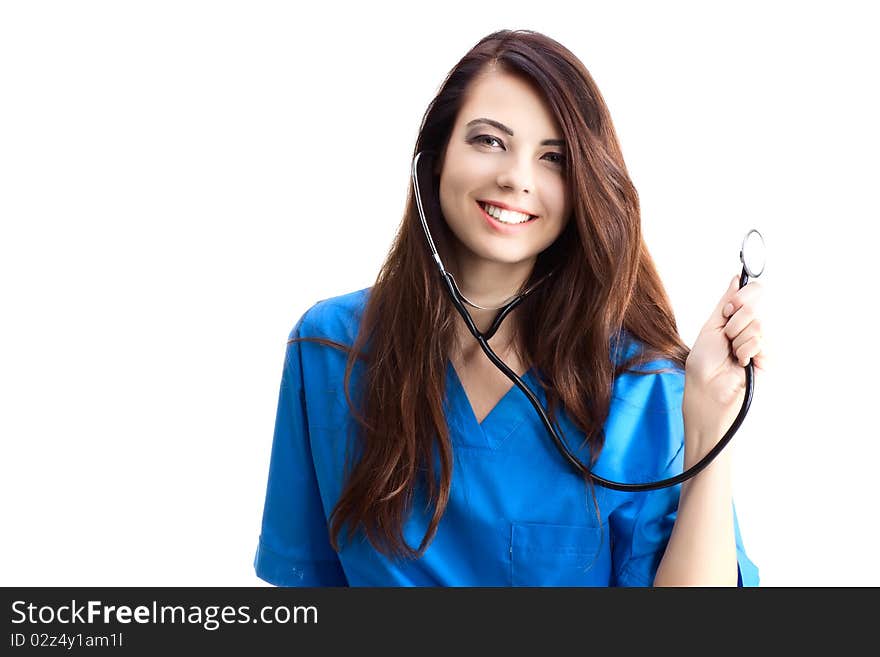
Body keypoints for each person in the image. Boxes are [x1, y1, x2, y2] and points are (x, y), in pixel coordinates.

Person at [253, 29, 767, 587]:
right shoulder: (328, 349)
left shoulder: (645, 388)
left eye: (553, 158)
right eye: (490, 141)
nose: (516, 178)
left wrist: (712, 423)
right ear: (435, 155)